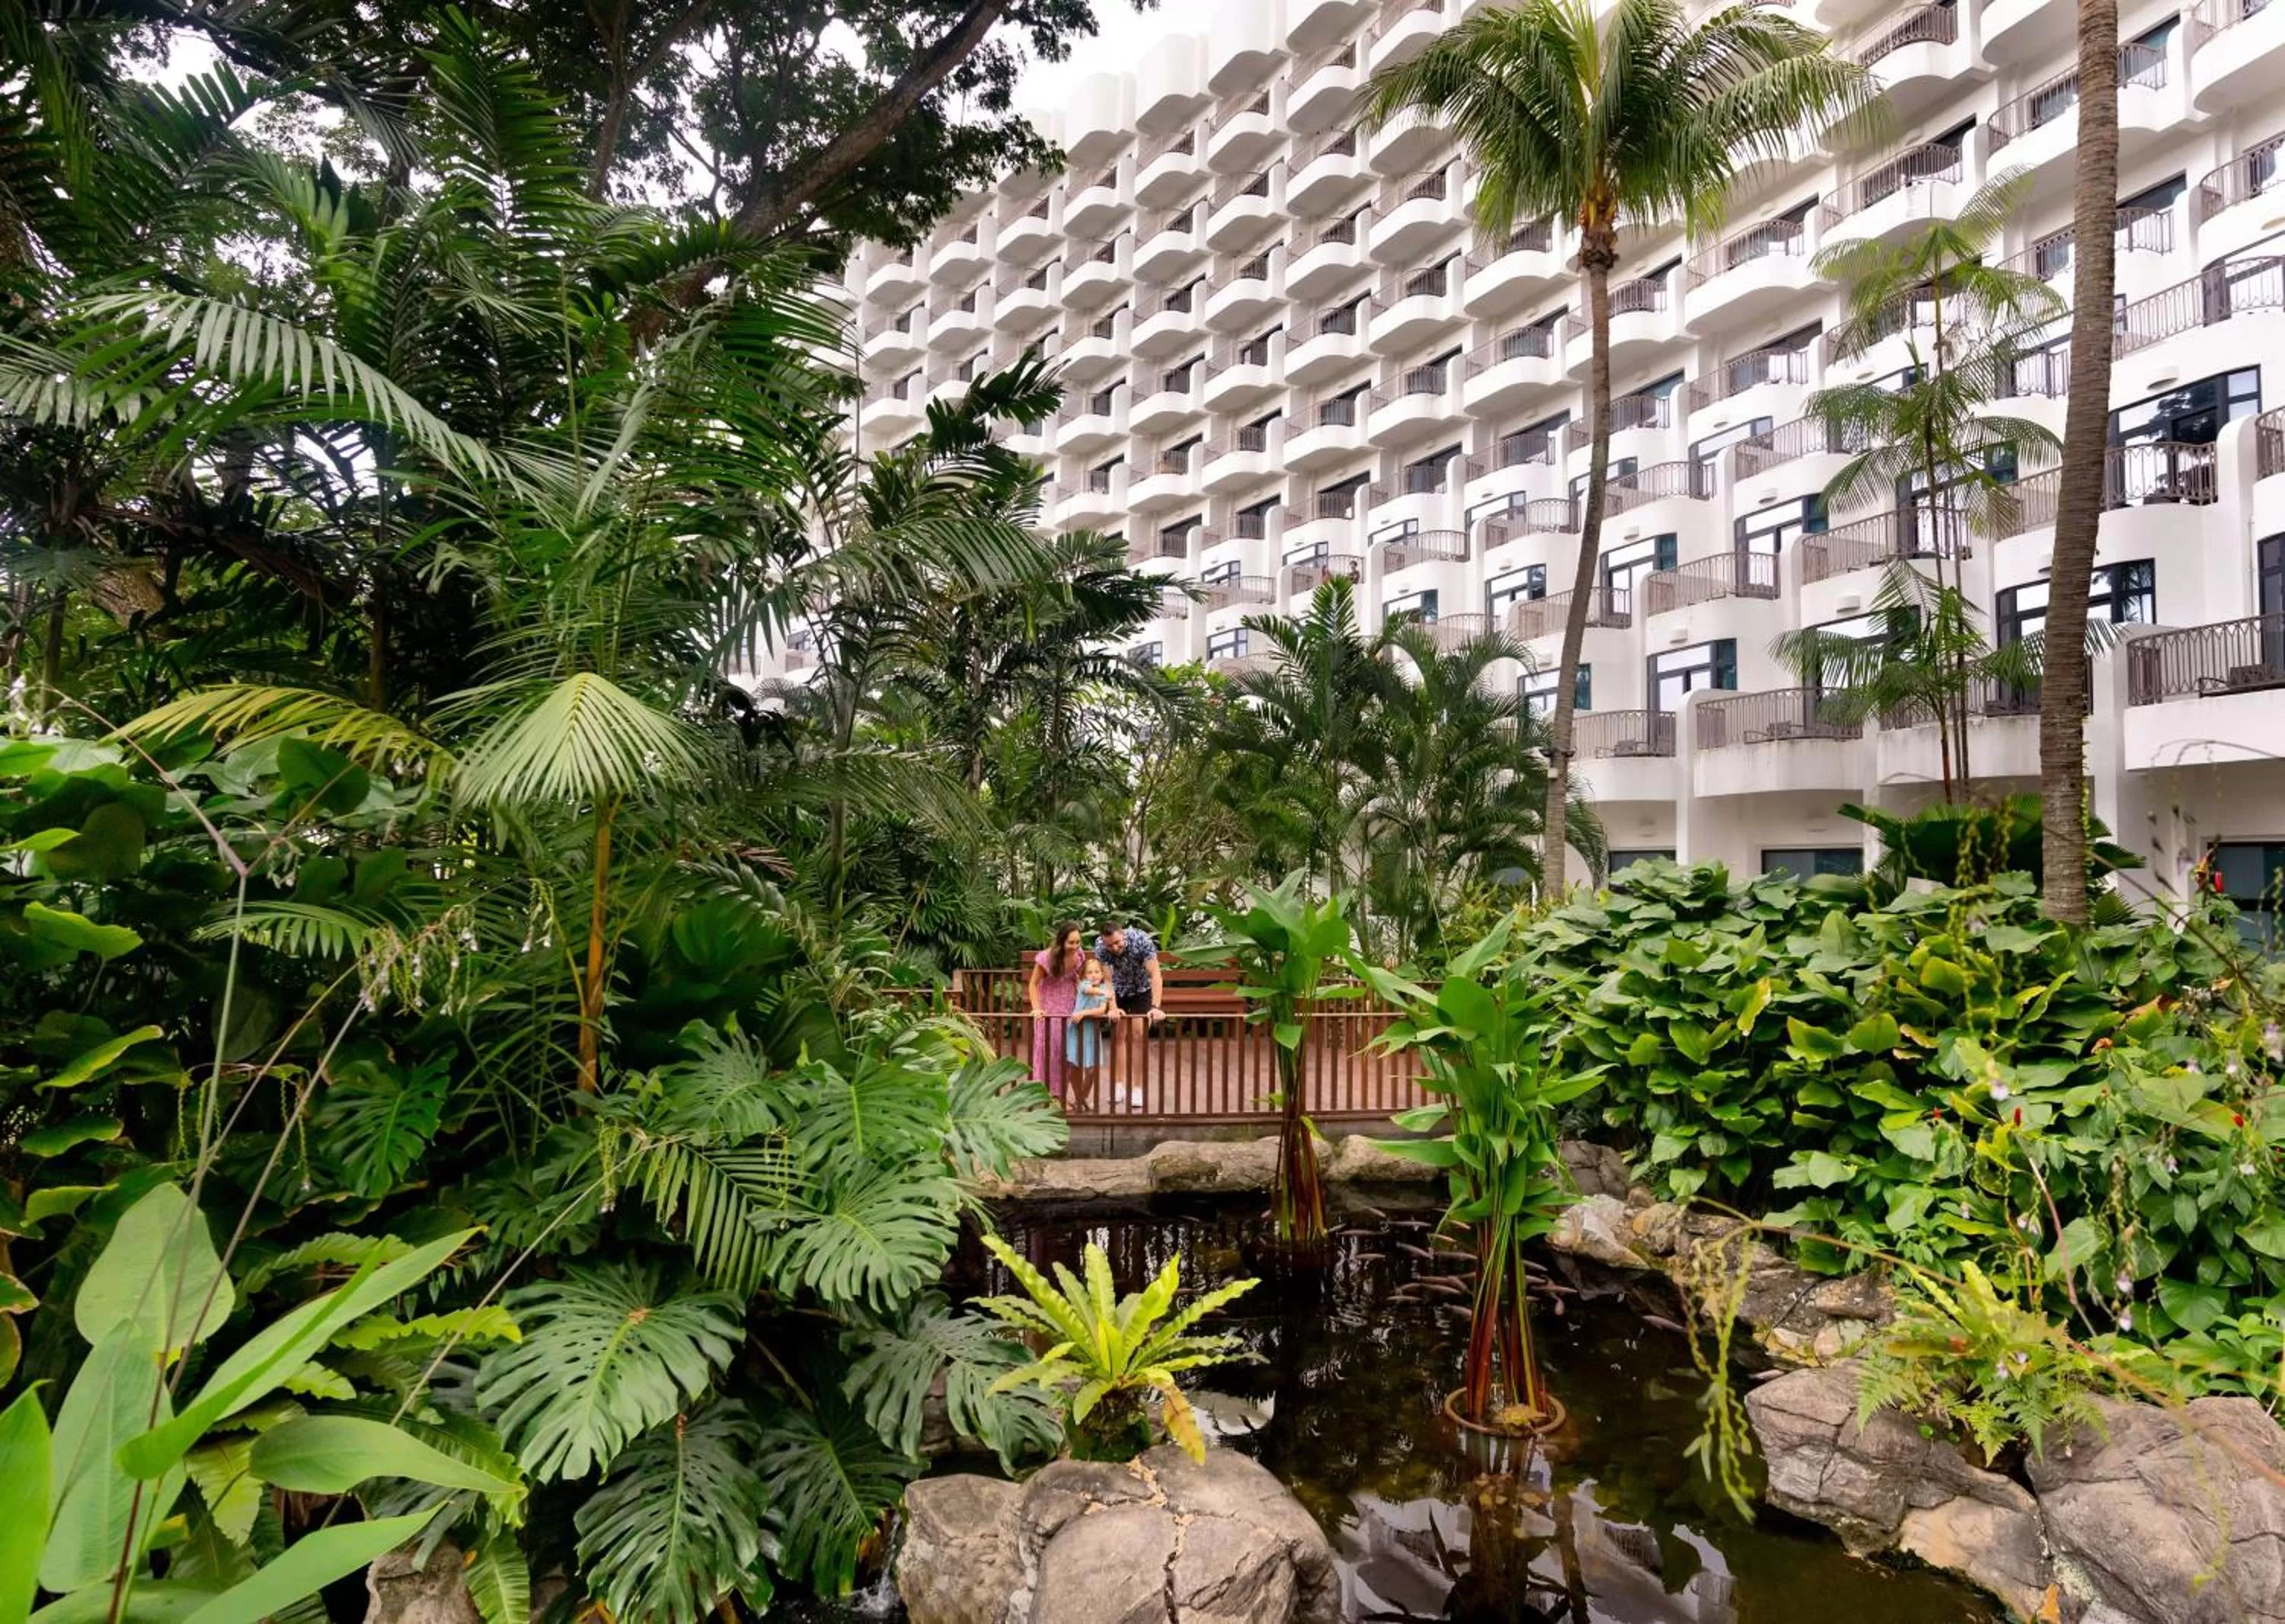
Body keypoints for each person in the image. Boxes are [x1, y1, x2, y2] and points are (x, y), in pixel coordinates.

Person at [1096, 919, 1164, 1108]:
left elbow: (1155, 975)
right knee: (1118, 1036)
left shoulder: (1141, 941)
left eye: (1117, 943)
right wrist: (1113, 1007)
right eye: (1110, 945)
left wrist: (1155, 1006)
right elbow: (1107, 980)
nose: (1114, 948)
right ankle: (1119, 1086)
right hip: (1119, 990)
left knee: (1139, 1036)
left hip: (1141, 990)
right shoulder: (1101, 947)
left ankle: (1137, 1089)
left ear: (1123, 934)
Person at [1026, 922, 1085, 1101]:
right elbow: (1033, 984)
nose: (1075, 946)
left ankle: (1061, 1095)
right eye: (1071, 943)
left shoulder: (1079, 956)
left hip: (1069, 1007)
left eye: (1078, 942)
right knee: (1049, 1052)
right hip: (1048, 1008)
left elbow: (1077, 978)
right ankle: (1044, 1094)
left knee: (1066, 1052)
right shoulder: (1046, 958)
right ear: (1061, 942)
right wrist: (1037, 1008)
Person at [1063, 957, 1114, 1112]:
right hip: (1077, 1030)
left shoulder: (1103, 988)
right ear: (1085, 976)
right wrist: (1105, 993)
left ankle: (1082, 1097)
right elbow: (1089, 991)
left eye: (1097, 972)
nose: (1094, 975)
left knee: (1092, 1069)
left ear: (1102, 974)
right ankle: (1079, 1098)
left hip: (1092, 1031)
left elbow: (1101, 1010)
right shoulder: (1084, 985)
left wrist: (1084, 1013)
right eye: (1090, 972)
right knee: (1075, 1065)